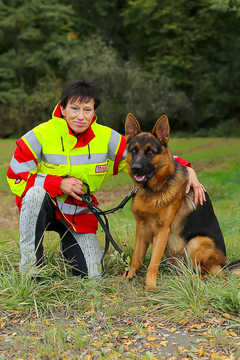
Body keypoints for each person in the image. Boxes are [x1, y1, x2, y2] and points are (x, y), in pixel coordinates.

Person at [7, 79, 205, 279]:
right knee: (34, 194)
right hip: (43, 208)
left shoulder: (106, 137)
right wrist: (58, 184)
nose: (81, 117)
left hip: (78, 215)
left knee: (93, 276)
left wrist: (187, 168)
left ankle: (68, 249)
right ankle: (30, 271)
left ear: (94, 112)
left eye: (87, 110)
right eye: (74, 108)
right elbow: (16, 176)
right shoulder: (39, 135)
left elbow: (142, 156)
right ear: (63, 108)